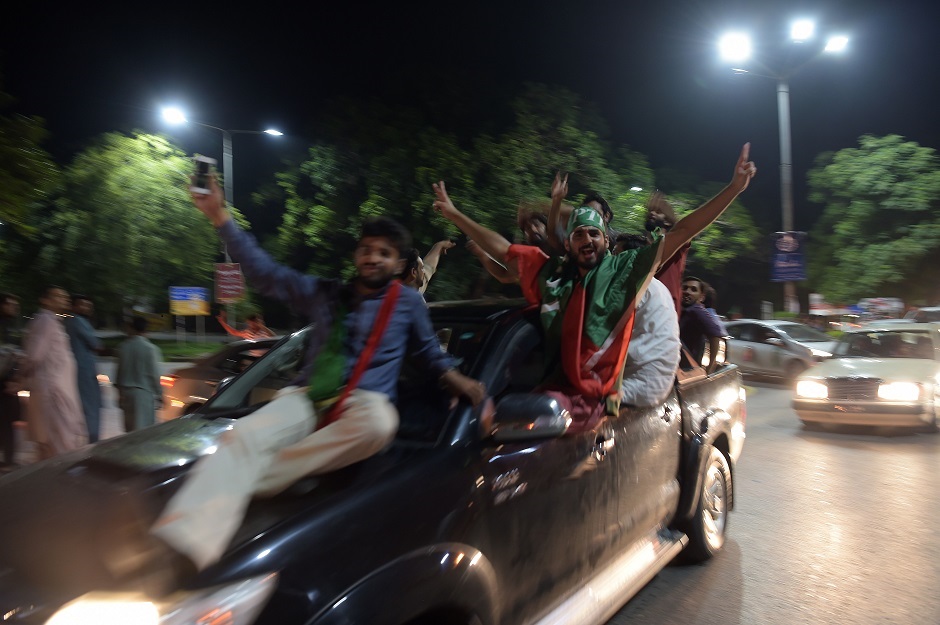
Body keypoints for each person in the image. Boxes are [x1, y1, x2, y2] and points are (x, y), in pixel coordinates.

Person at [146, 174, 486, 578]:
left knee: (380, 423)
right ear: (356, 256)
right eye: (366, 250)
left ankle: (247, 483)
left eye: (384, 253)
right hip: (308, 395)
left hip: (365, 401)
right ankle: (183, 548)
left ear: (398, 264)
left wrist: (463, 384)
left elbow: (430, 355)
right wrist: (219, 215)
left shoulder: (409, 303)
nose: (373, 258)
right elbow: (266, 272)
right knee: (242, 436)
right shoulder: (325, 293)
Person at [432, 144, 756, 427]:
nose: (587, 239)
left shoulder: (626, 269)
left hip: (591, 399)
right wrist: (454, 214)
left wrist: (734, 188)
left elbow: (682, 231)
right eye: (579, 234)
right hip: (550, 384)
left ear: (605, 239)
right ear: (568, 244)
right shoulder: (555, 274)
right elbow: (503, 250)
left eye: (594, 233)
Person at [22, 286, 87, 459]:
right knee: (59, 445)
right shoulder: (45, 320)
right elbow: (34, 355)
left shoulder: (54, 321)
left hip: (57, 390)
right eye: (57, 296)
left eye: (65, 297)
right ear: (44, 300)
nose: (64, 299)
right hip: (52, 392)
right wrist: (20, 377)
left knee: (54, 444)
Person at [115, 316, 163, 432]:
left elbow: (119, 373)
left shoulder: (122, 347)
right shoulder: (150, 349)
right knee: (143, 432)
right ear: (146, 330)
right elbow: (154, 375)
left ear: (132, 328)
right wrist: (160, 394)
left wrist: (120, 394)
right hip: (143, 394)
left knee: (130, 431)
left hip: (127, 394)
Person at [66, 294, 103, 443]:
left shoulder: (69, 321)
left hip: (79, 369)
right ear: (74, 306)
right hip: (84, 371)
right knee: (91, 407)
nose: (86, 308)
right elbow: (95, 343)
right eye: (82, 304)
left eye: (88, 306)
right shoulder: (77, 320)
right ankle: (93, 441)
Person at [645, 191, 689, 315]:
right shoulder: (644, 247)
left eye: (658, 211)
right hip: (645, 309)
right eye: (650, 211)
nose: (652, 213)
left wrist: (670, 212)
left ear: (668, 222)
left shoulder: (675, 242)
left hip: (666, 310)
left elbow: (687, 229)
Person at [680, 277, 724, 373]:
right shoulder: (682, 310)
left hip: (687, 371)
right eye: (685, 288)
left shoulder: (696, 310)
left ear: (701, 297)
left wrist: (710, 368)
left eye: (693, 289)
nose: (687, 292)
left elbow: (715, 336)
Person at [0, 293, 23, 468]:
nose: (14, 308)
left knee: (8, 423)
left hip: (8, 383)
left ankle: (8, 459)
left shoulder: (9, 327)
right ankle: (8, 460)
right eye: (10, 305)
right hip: (3, 384)